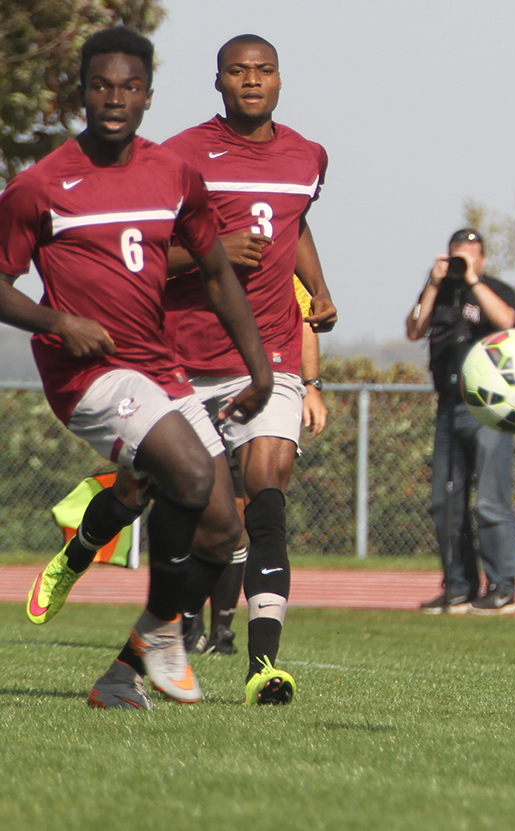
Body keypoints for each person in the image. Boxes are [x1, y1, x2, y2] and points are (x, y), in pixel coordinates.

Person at [5, 27, 272, 709]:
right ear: (80, 94)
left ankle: (126, 668)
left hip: (160, 367)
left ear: (148, 95)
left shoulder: (174, 175)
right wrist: (58, 321)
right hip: (86, 375)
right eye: (100, 86)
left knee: (221, 528)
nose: (113, 99)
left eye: (128, 87)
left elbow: (217, 274)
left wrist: (260, 368)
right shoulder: (40, 185)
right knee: (186, 473)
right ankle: (159, 633)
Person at [161, 33, 337, 705]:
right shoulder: (178, 155)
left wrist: (318, 287)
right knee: (202, 518)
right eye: (238, 72)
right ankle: (94, 541)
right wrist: (212, 253)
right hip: (187, 357)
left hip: (270, 354)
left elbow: (298, 224)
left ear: (281, 81)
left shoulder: (308, 156)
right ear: (218, 83)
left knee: (268, 485)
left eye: (263, 71)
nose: (251, 82)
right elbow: (149, 255)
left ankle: (264, 665)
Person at [186, 276, 328, 657]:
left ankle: (223, 632)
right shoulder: (196, 239)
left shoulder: (281, 254)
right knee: (193, 514)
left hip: (255, 392)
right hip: (192, 384)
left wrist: (311, 386)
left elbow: (306, 319)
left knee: (245, 516)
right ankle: (186, 621)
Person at [406, 229, 515, 615]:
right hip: (448, 405)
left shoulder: (496, 289)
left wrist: (472, 279)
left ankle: (502, 587)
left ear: (483, 259)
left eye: (470, 256)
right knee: (445, 502)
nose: (462, 263)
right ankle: (458, 586)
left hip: (488, 407)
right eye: (457, 256)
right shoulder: (437, 290)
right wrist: (433, 284)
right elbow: (413, 329)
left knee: (490, 500)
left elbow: (507, 320)